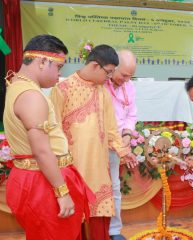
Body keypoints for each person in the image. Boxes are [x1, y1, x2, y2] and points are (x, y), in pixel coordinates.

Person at [3, 34, 94, 239]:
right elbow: (42, 151)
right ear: (42, 61)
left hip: (39, 178)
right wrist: (62, 192)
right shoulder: (31, 96)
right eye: (58, 67)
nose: (59, 76)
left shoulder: (17, 86)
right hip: (42, 183)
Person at [50, 45, 138, 240]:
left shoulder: (102, 92)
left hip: (98, 169)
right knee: (74, 221)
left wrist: (124, 152)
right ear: (95, 66)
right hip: (72, 168)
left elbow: (111, 131)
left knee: (99, 223)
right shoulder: (62, 89)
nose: (109, 78)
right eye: (108, 73)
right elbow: (53, 132)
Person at [104, 49, 137, 240]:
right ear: (113, 67)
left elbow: (131, 114)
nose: (126, 79)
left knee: (114, 187)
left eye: (130, 76)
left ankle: (114, 230)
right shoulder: (100, 84)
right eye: (124, 74)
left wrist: (126, 134)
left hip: (118, 144)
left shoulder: (129, 86)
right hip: (98, 144)